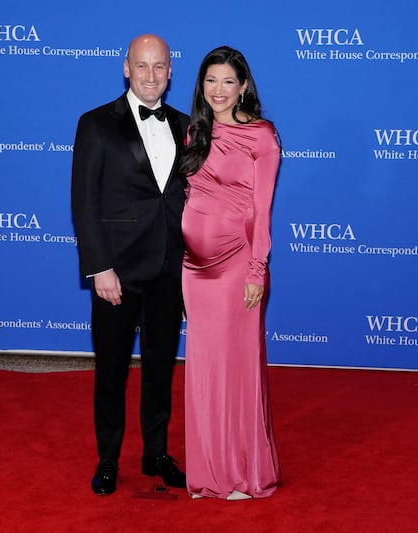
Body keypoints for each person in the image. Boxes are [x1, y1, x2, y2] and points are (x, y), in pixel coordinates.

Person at [71, 34, 189, 496]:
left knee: (161, 369)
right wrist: (99, 267)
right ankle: (107, 459)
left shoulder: (186, 125)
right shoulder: (96, 124)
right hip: (116, 275)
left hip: (168, 269)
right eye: (142, 66)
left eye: (159, 66)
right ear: (126, 68)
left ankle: (155, 454)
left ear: (171, 71)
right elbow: (84, 202)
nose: (151, 75)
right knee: (113, 371)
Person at [180, 46, 281, 500]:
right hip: (193, 269)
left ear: (243, 87)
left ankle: (241, 472)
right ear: (201, 86)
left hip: (238, 264)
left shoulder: (262, 137)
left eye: (227, 81)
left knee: (235, 370)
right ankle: (207, 473)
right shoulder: (193, 132)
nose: (218, 90)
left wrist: (257, 270)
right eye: (210, 81)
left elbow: (263, 211)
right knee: (203, 369)